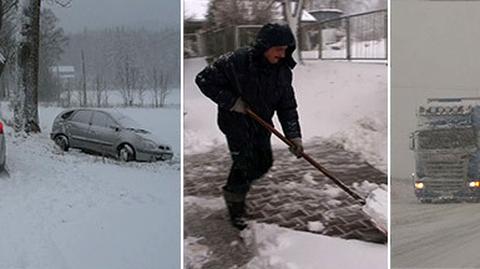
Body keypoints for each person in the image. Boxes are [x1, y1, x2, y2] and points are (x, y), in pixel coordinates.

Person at [195, 23, 303, 230]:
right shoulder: (236, 61)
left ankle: (237, 186)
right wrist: (232, 102)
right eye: (278, 49)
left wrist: (294, 136)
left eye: (286, 49)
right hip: (236, 124)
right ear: (265, 46)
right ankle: (235, 203)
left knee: (264, 162)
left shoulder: (283, 71)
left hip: (262, 124)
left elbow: (287, 106)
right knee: (244, 164)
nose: (283, 54)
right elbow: (203, 80)